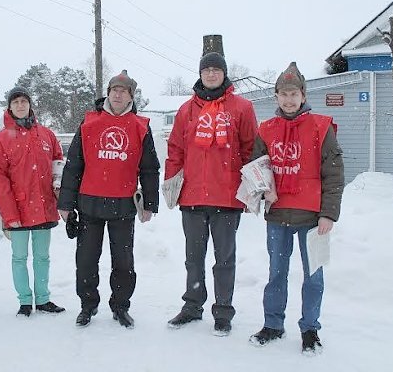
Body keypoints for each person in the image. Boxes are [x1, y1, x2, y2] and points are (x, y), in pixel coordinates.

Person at [248, 62, 344, 354]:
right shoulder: (266, 130)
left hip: (313, 218)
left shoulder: (321, 127)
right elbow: (256, 168)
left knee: (313, 275)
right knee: (276, 273)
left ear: (303, 96)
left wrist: (328, 213)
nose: (289, 99)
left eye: (294, 94)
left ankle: (310, 329)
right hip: (278, 217)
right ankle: (273, 324)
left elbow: (334, 173)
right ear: (276, 97)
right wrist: (264, 190)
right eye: (283, 94)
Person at [164, 52, 258, 335]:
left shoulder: (241, 107)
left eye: (217, 70)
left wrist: (251, 189)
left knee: (224, 259)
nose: (212, 74)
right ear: (201, 74)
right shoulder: (186, 110)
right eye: (207, 70)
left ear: (224, 74)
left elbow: (251, 149)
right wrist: (171, 183)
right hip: (192, 197)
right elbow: (176, 149)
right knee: (193, 258)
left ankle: (223, 311)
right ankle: (192, 306)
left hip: (227, 197)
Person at [57, 70, 160, 329]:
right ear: (108, 92)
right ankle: (87, 306)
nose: (117, 93)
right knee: (86, 261)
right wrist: (66, 204)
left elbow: (149, 168)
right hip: (89, 204)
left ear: (131, 97)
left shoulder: (140, 126)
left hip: (123, 205)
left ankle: (120, 306)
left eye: (123, 90)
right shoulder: (89, 122)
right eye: (114, 89)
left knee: (123, 262)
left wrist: (150, 203)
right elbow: (73, 166)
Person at [0, 86, 66, 317]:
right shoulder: (0, 140)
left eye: (24, 101)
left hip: (43, 207)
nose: (20, 105)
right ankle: (24, 301)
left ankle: (43, 299)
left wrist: (59, 189)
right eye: (16, 102)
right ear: (9, 107)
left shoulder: (46, 135)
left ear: (30, 105)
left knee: (43, 257)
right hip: (18, 210)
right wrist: (9, 213)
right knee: (19, 257)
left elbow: (57, 163)